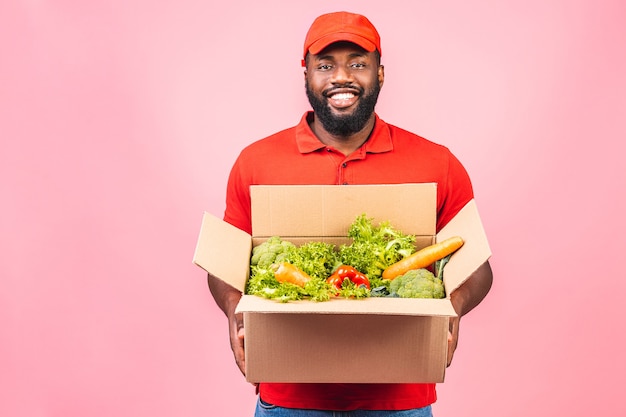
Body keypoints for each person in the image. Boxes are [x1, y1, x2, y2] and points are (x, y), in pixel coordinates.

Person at [207, 11, 493, 417]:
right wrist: (234, 308)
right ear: (305, 74)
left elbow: (478, 268)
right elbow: (225, 262)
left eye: (358, 63)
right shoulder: (256, 163)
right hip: (290, 398)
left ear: (380, 72)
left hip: (400, 400)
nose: (342, 77)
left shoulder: (437, 164)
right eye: (325, 66)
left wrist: (454, 306)